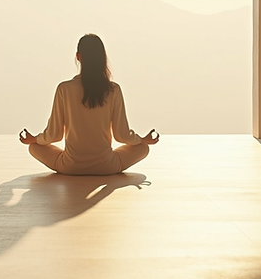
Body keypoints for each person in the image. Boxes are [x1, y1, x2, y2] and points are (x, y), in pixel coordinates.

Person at [19, 33, 159, 175]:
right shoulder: (113, 89)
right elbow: (122, 135)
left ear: (78, 56)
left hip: (70, 167)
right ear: (102, 58)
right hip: (107, 167)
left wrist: (35, 139)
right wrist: (142, 139)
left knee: (34, 147)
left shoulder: (64, 88)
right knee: (143, 148)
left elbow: (54, 135)